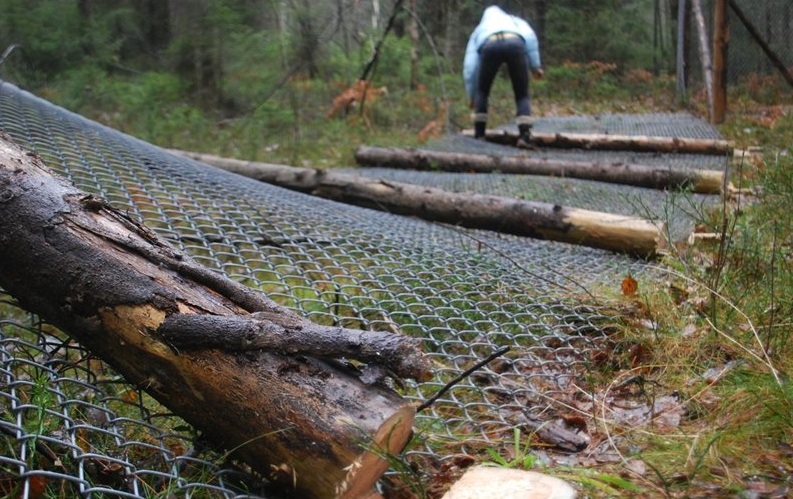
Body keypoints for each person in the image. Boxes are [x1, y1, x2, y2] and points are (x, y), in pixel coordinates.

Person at [463, 5, 544, 147]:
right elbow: (530, 37)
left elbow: (470, 66)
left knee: (482, 91)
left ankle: (479, 135)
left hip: (489, 45)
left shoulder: (479, 29)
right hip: (515, 43)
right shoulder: (514, 21)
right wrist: (535, 66)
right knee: (521, 94)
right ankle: (524, 136)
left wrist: (472, 96)